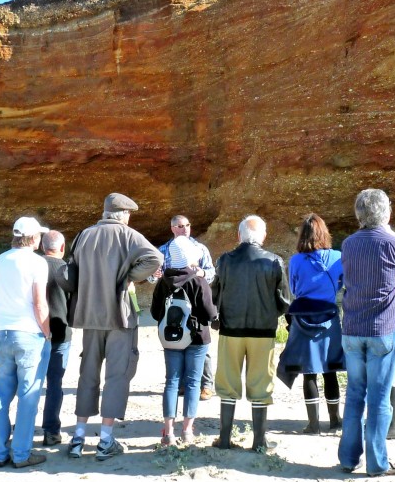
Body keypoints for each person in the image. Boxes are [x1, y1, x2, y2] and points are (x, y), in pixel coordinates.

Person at [64, 192, 162, 460]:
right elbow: (155, 259)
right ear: (124, 214)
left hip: (88, 316)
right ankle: (106, 440)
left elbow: (72, 269)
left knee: (88, 373)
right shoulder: (129, 236)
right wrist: (128, 278)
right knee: (117, 375)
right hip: (119, 316)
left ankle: (78, 436)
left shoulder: (85, 235)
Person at [338, 189, 395, 477]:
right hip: (383, 328)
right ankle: (376, 463)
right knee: (380, 397)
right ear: (387, 212)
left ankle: (348, 459)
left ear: (358, 213)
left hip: (352, 329)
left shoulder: (348, 244)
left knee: (355, 394)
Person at [211, 215, 290, 451]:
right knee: (260, 384)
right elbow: (285, 300)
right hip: (262, 331)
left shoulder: (225, 260)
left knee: (227, 383)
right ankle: (259, 442)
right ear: (263, 237)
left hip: (231, 329)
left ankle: (224, 439)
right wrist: (270, 313)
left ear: (239, 236)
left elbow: (215, 294)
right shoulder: (274, 261)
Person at [0, 217, 51, 468]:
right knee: (28, 395)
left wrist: (2, 322)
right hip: (28, 333)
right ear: (34, 238)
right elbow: (39, 302)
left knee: (1, 395)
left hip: (3, 331)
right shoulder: (37, 263)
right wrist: (46, 331)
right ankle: (22, 453)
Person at [277, 214, 345, 434]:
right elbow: (341, 284)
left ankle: (313, 424)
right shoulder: (338, 256)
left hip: (303, 317)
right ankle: (335, 421)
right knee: (330, 370)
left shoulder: (296, 260)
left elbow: (295, 290)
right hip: (328, 316)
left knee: (309, 371)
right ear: (324, 233)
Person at [151, 236, 217, 445]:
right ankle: (187, 430)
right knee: (193, 383)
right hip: (197, 337)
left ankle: (168, 432)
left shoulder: (163, 281)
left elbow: (154, 312)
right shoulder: (198, 280)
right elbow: (209, 313)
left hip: (171, 338)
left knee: (171, 382)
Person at [40, 230, 72, 446]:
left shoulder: (33, 265)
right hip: (61, 332)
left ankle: (21, 427)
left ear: (43, 247)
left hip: (34, 331)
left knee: (28, 382)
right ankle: (51, 430)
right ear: (62, 248)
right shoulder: (67, 270)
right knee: (54, 383)